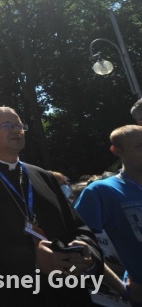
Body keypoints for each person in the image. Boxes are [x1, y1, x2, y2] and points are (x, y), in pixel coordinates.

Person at [0, 107, 103, 306]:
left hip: (68, 291)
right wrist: (32, 260)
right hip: (16, 294)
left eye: (19, 125)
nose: (16, 130)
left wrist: (87, 251)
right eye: (6, 125)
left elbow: (78, 227)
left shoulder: (44, 176)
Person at [75, 125, 142, 305]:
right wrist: (123, 289)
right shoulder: (102, 191)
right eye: (139, 146)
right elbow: (78, 247)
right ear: (117, 150)